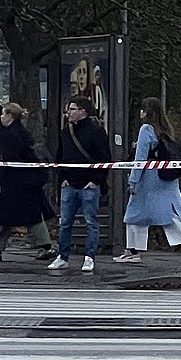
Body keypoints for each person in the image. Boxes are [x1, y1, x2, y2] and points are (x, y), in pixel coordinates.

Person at [120, 96, 181, 264]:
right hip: (167, 179)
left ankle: (133, 252)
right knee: (171, 215)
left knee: (134, 214)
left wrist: (133, 181)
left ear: (145, 112)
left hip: (149, 179)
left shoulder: (146, 130)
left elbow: (140, 159)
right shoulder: (165, 129)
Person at [0, 103, 54, 261]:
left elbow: (9, 157)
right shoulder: (18, 132)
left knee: (6, 215)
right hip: (24, 182)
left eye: (4, 114)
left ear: (10, 116)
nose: (1, 117)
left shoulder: (12, 135)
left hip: (16, 183)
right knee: (23, 215)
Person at [52, 95, 111, 273]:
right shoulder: (65, 133)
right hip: (69, 183)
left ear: (83, 112)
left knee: (91, 222)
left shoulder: (96, 132)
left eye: (72, 109)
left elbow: (104, 158)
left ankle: (89, 257)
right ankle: (63, 256)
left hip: (88, 185)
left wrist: (96, 180)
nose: (68, 113)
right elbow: (60, 158)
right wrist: (62, 178)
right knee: (65, 223)